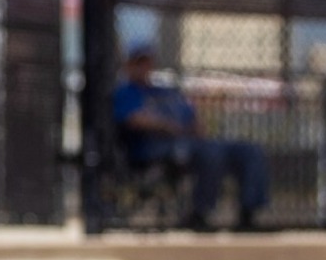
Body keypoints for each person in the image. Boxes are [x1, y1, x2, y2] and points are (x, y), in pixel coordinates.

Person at [112, 41, 270, 230]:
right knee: (211, 153)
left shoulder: (166, 91)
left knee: (249, 151)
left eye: (147, 62)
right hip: (155, 148)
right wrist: (168, 126)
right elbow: (134, 120)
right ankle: (200, 213)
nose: (145, 67)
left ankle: (249, 212)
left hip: (191, 141)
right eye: (139, 62)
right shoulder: (125, 92)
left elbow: (193, 118)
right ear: (129, 65)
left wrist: (194, 127)